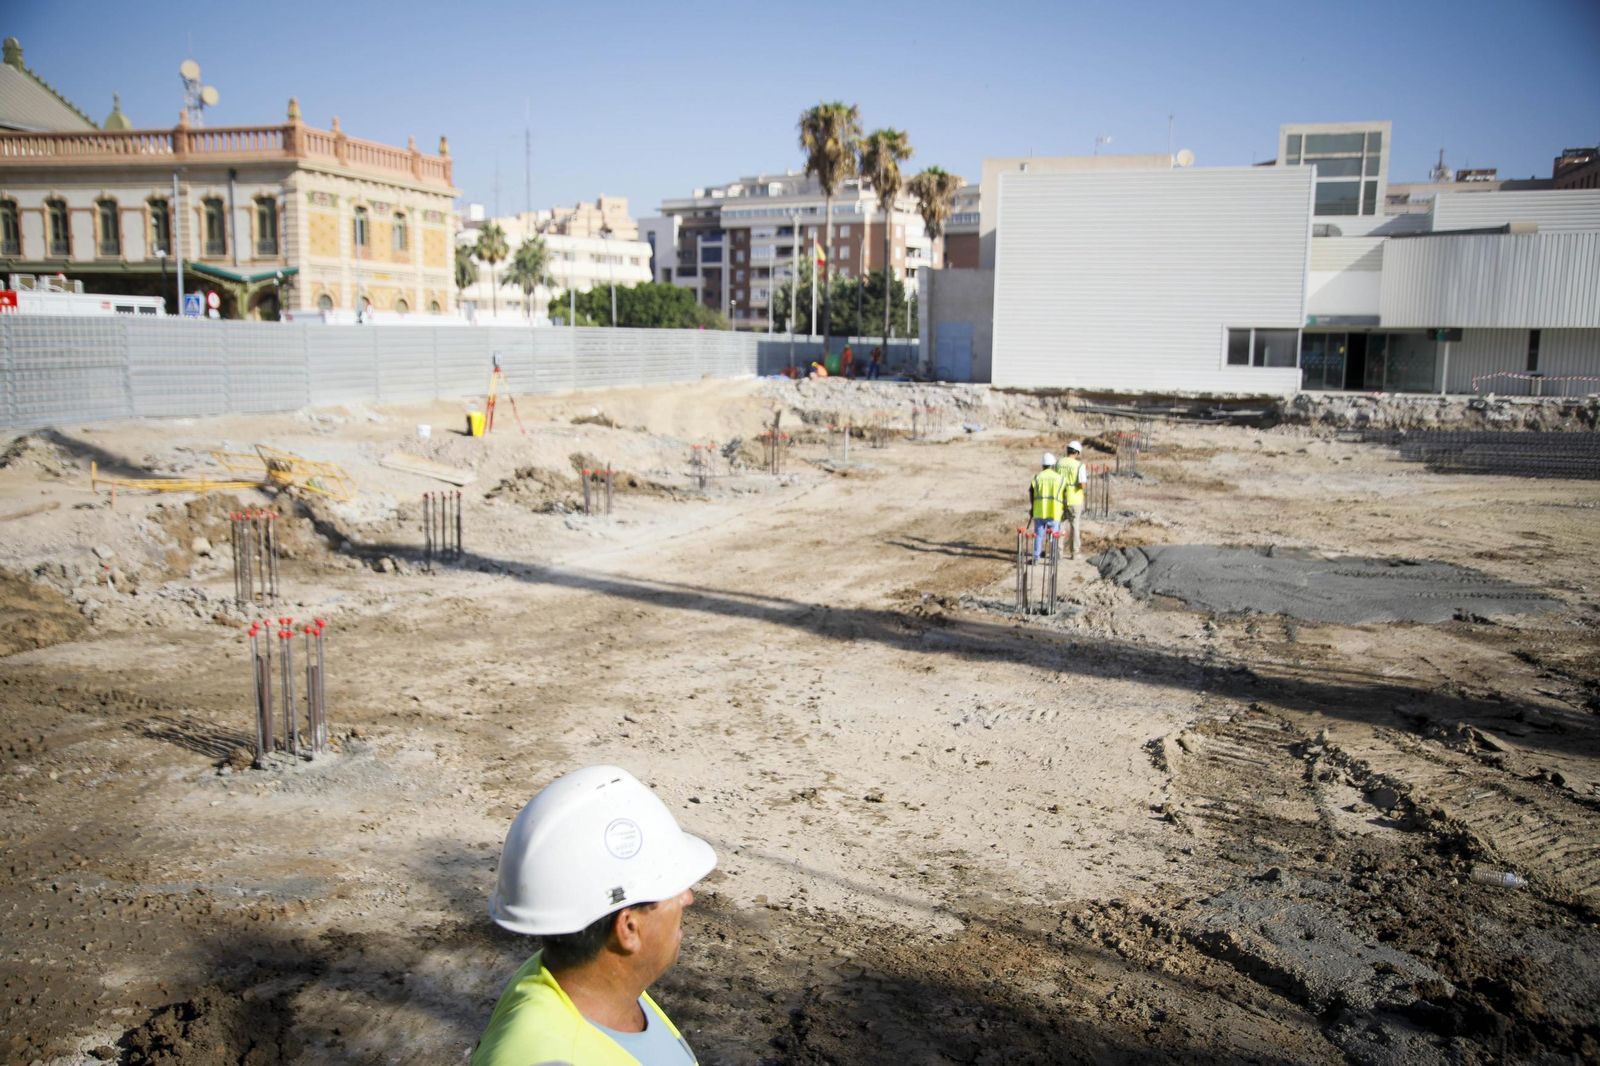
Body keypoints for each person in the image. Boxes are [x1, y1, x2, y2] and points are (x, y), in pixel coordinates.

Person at [472, 765, 717, 1066]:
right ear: (628, 928)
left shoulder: (598, 987)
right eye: (673, 889)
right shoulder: (543, 1056)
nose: (687, 897)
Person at [1028, 453, 1066, 562]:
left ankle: (1036, 558)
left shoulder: (1038, 477)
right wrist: (1064, 507)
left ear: (1043, 465)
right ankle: (1053, 558)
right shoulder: (1060, 478)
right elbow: (1065, 493)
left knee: (1038, 536)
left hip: (1039, 511)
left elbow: (1031, 491)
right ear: (1053, 465)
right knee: (1054, 536)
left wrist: (1032, 507)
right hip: (1055, 511)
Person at [1055, 441, 1089, 559]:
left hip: (1060, 497)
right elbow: (1082, 484)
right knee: (1075, 525)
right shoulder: (1079, 466)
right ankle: (1074, 552)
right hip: (1074, 498)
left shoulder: (1059, 463)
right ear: (1077, 452)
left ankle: (1058, 552)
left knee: (1060, 525)